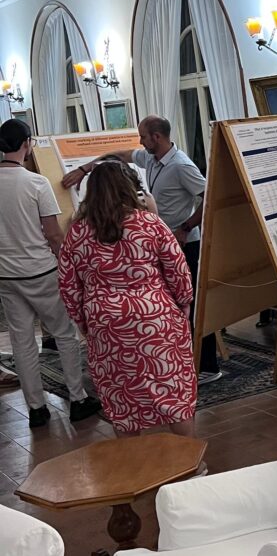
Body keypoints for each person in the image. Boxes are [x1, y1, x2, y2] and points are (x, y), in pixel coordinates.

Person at [62, 115, 221, 383]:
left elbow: (210, 198)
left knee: (194, 307)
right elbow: (121, 155)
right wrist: (86, 168)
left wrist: (185, 228)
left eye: (143, 136)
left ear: (156, 137)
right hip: (161, 240)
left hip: (184, 242)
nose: (140, 141)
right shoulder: (151, 158)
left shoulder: (181, 166)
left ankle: (207, 366)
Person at [58, 160, 197, 436]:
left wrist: (84, 322)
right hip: (155, 318)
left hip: (106, 322)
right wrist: (184, 302)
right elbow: (178, 269)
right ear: (130, 188)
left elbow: (68, 285)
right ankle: (191, 459)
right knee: (174, 396)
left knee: (122, 402)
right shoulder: (150, 223)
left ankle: (133, 462)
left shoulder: (77, 232)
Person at [0, 119, 101, 427]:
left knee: (22, 341)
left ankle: (36, 409)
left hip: (6, 275)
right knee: (65, 334)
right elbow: (54, 235)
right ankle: (78, 399)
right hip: (41, 271)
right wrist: (69, 266)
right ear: (27, 144)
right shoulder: (36, 183)